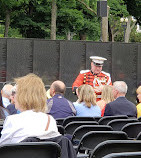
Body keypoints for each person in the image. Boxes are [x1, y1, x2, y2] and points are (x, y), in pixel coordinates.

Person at [0, 74, 60, 145]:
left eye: (15, 92)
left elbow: (3, 149)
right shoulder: (50, 120)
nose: (12, 96)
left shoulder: (12, 121)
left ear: (23, 96)